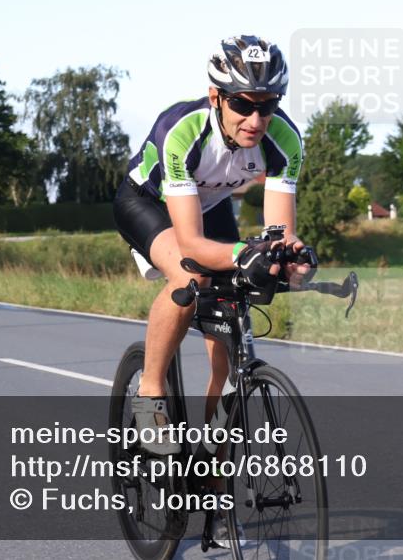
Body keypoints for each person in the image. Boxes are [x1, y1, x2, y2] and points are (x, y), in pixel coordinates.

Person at [112, 36, 309, 543]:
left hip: (211, 203)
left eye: (267, 107)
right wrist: (245, 253)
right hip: (150, 202)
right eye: (243, 104)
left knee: (230, 349)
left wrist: (292, 261)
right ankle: (151, 391)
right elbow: (194, 243)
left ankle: (214, 485)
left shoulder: (285, 141)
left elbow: (279, 234)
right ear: (216, 96)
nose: (256, 119)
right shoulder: (182, 129)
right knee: (191, 275)